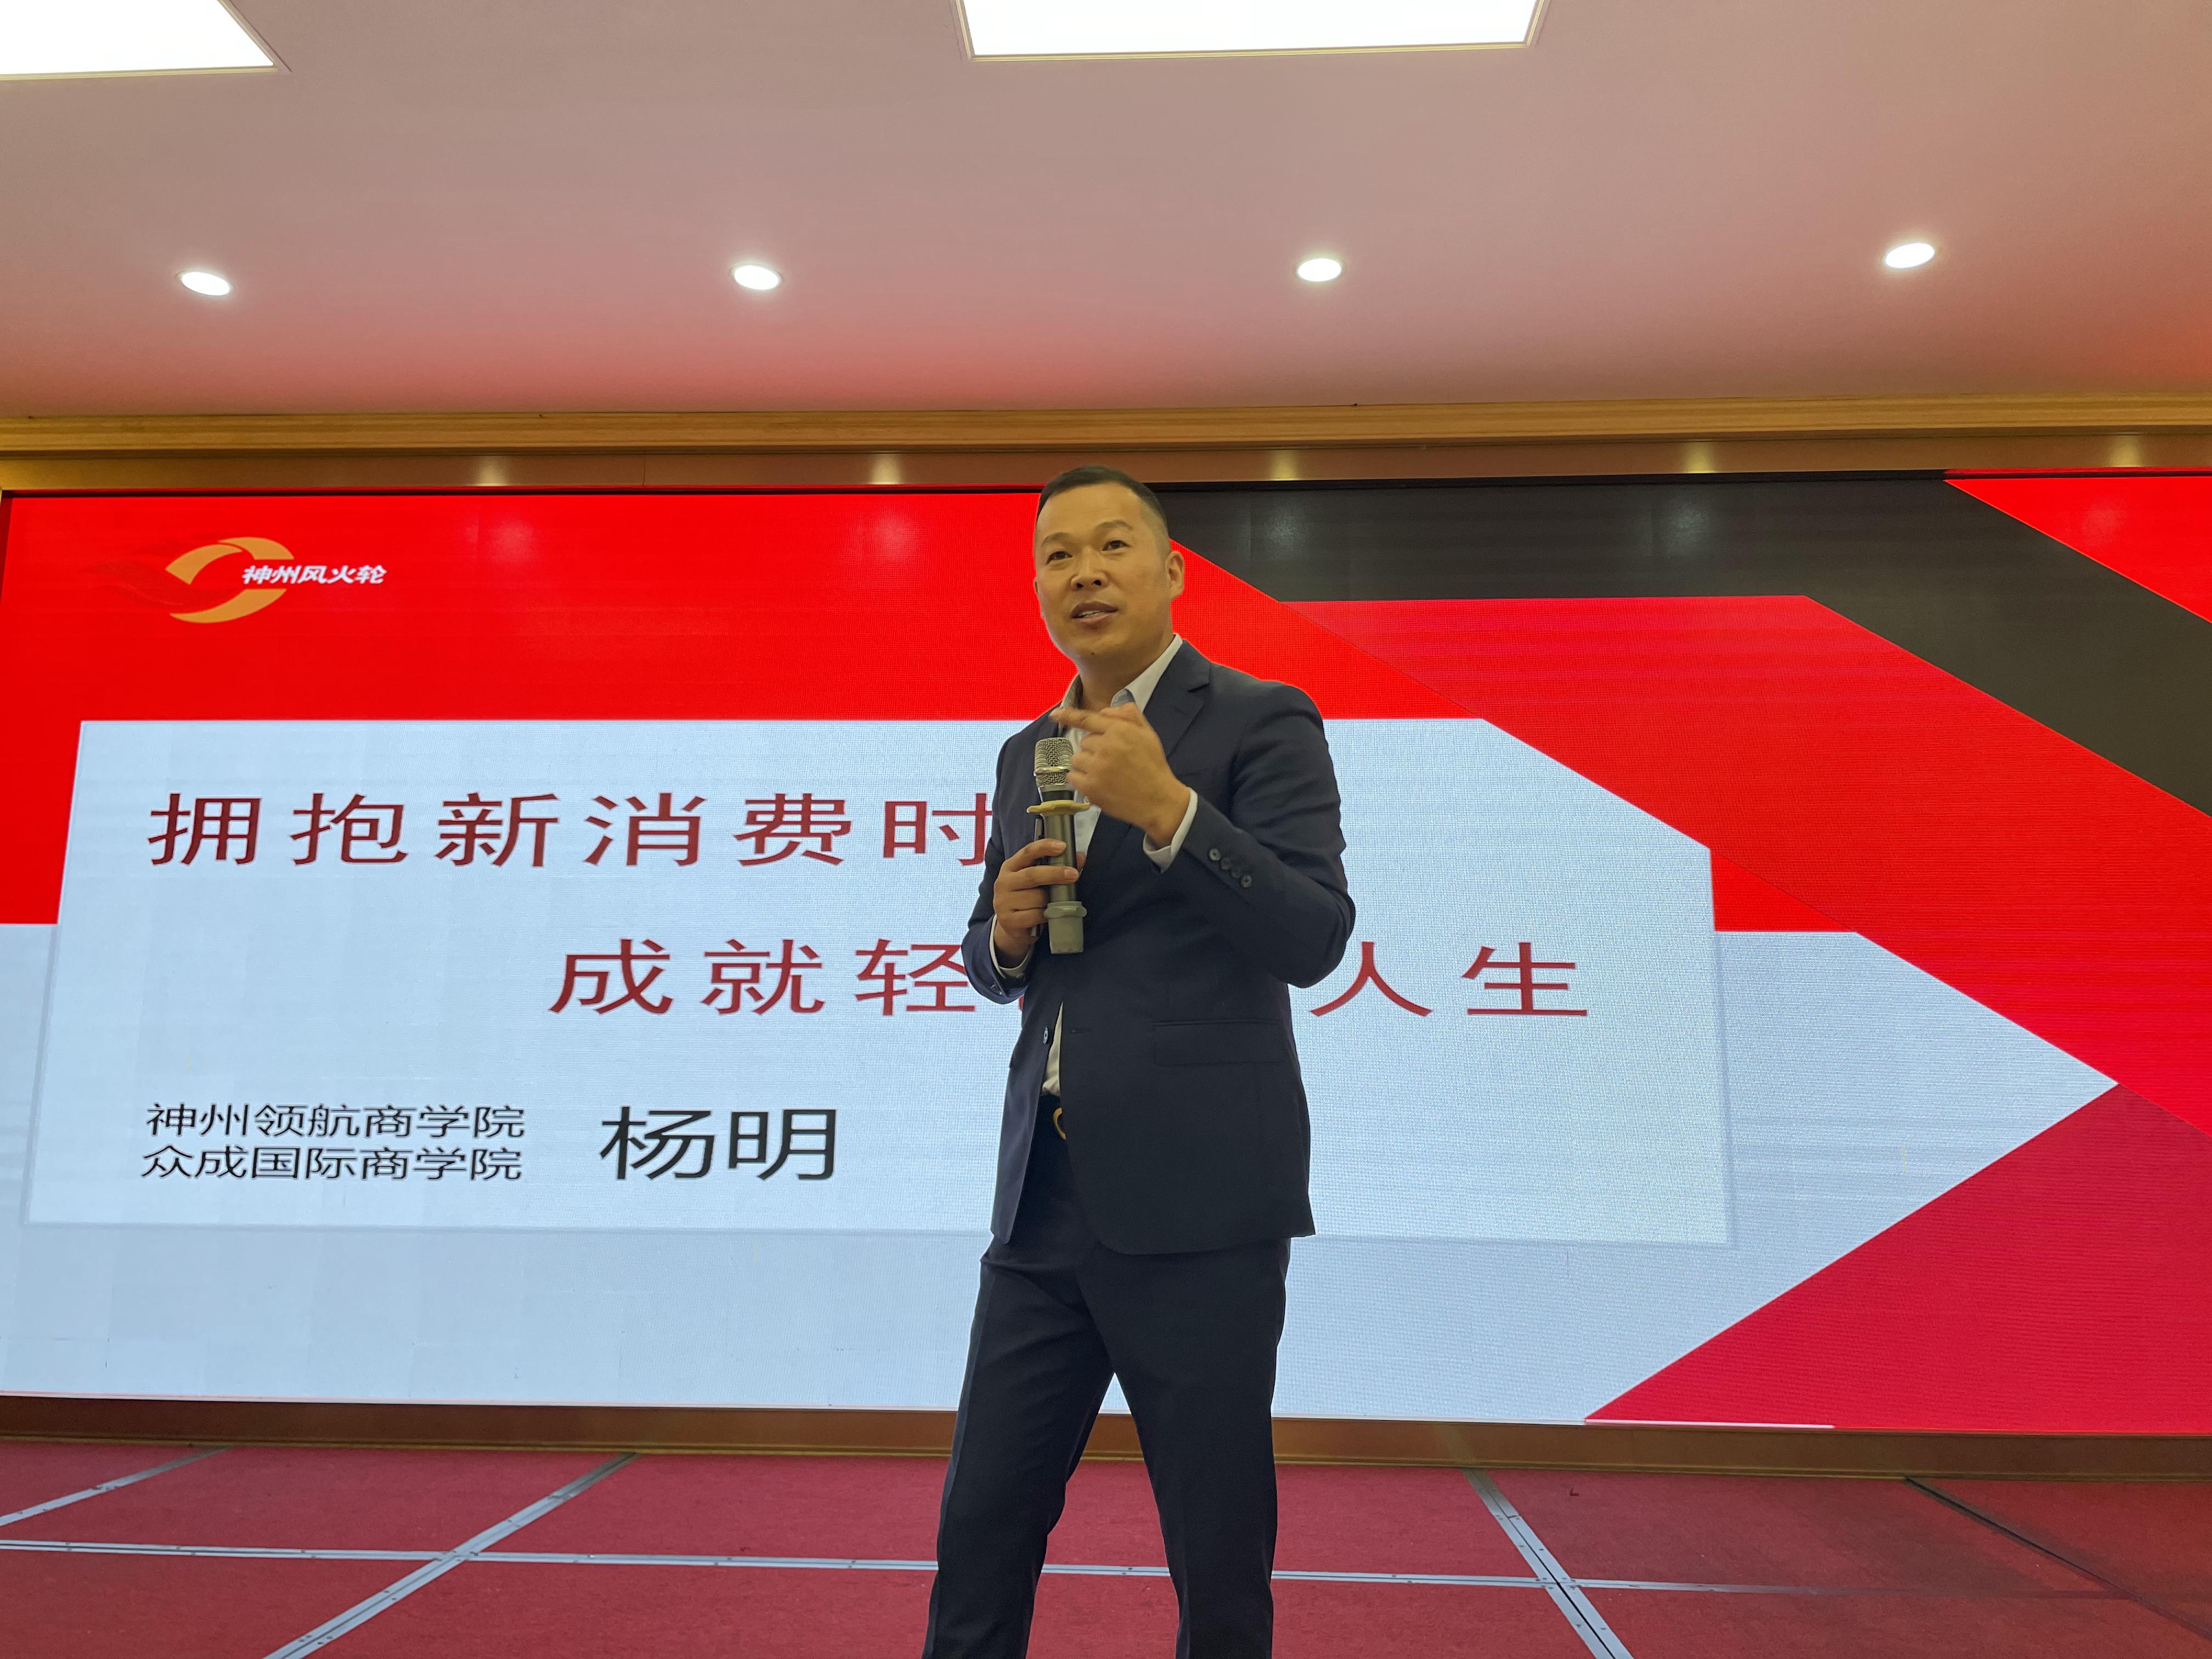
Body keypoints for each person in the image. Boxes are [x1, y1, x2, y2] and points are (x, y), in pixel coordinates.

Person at [920, 465, 1354, 1658]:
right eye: (1057, 555)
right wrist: (1003, 938)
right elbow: (995, 955)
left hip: (1201, 1206)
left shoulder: (1261, 719)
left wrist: (1171, 813)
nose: (1085, 574)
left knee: (1216, 1549)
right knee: (980, 1526)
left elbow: (1315, 938)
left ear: (1171, 571)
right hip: (1042, 1205)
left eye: (1112, 546)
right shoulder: (1027, 752)